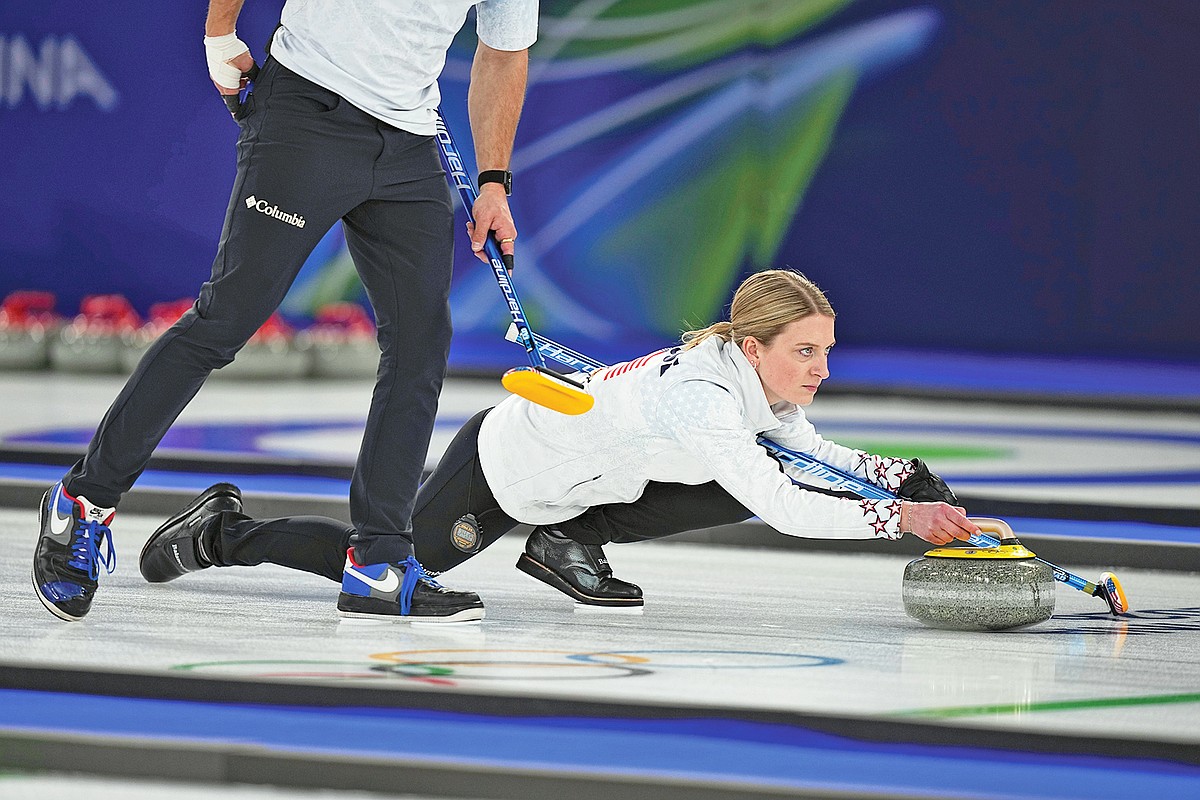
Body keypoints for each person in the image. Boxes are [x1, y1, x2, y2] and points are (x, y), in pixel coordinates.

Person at [32, 0, 539, 623]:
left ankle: (378, 560)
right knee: (225, 322)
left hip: (408, 141)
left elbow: (503, 50)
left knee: (421, 344)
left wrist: (494, 181)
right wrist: (220, 34)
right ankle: (80, 504)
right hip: (307, 110)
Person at [136, 270, 982, 614]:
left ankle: (568, 542)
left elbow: (811, 452)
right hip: (504, 471)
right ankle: (222, 532)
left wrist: (899, 476)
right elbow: (787, 507)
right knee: (389, 574)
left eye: (827, 351)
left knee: (748, 471)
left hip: (574, 486)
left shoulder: (748, 380)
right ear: (756, 348)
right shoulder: (703, 399)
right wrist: (898, 521)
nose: (820, 368)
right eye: (808, 351)